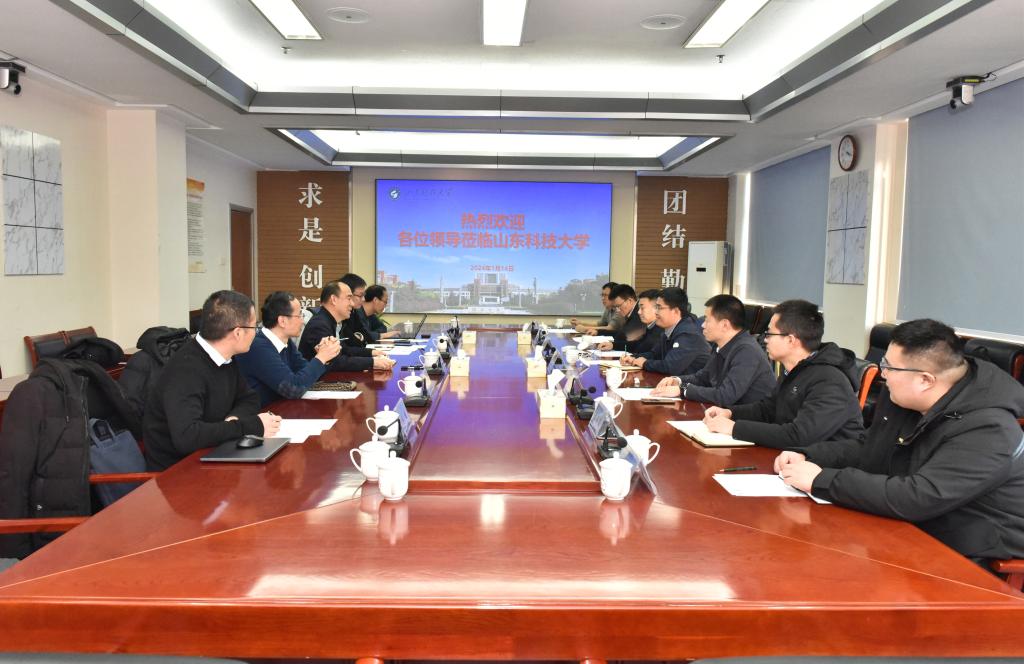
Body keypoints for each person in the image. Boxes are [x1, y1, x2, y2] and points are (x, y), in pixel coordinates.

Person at [776, 318, 1024, 564]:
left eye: (889, 367)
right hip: (909, 529)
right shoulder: (905, 397)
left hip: (972, 554)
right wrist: (810, 455)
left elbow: (919, 497)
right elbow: (868, 446)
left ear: (925, 380)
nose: (882, 374)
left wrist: (821, 480)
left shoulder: (990, 429)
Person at [143, 290, 281, 472]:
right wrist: (250, 426)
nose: (256, 333)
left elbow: (249, 398)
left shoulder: (224, 357)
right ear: (238, 333)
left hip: (215, 455)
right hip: (179, 472)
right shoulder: (186, 370)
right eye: (254, 327)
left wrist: (233, 420)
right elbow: (187, 437)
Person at [703, 299, 864, 449]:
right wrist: (730, 413)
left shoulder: (829, 381)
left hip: (825, 465)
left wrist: (734, 428)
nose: (764, 339)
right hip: (792, 458)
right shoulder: (794, 369)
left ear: (791, 340)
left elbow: (799, 436)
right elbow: (768, 409)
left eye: (769, 333)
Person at [651, 294, 776, 406]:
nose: (702, 325)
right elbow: (703, 377)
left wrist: (683, 390)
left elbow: (725, 395)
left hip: (748, 420)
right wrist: (677, 380)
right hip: (724, 414)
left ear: (724, 325)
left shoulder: (747, 351)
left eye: (707, 320)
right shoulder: (720, 345)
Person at [235, 291, 342, 407]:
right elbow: (293, 389)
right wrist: (321, 357)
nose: (302, 321)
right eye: (299, 315)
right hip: (260, 413)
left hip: (280, 408)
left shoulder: (286, 342)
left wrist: (323, 355)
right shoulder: (258, 348)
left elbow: (307, 376)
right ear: (282, 321)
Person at [299, 281, 395, 372]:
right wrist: (373, 362)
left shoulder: (328, 321)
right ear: (334, 299)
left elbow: (343, 349)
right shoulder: (320, 325)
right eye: (349, 298)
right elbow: (335, 362)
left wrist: (371, 352)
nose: (352, 304)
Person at [621, 287, 709, 375]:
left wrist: (645, 363)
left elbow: (670, 367)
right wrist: (632, 358)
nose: (656, 312)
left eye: (659, 307)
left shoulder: (688, 333)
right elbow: (654, 354)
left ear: (675, 311)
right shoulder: (668, 330)